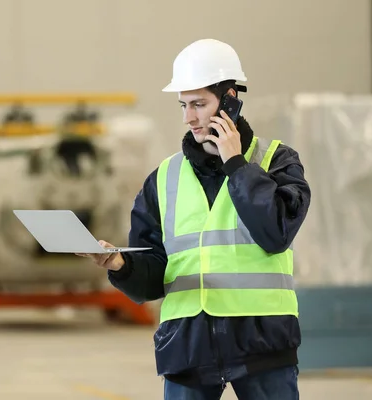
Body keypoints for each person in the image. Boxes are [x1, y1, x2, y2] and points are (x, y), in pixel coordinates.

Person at [77, 38, 311, 400]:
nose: (189, 117)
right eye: (184, 105)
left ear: (230, 100)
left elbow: (275, 232)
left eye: (200, 104)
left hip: (263, 341)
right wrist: (119, 263)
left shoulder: (276, 162)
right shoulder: (164, 179)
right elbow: (154, 276)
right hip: (187, 345)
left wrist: (236, 164)